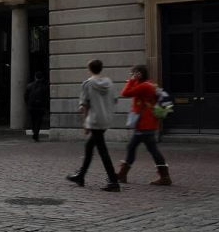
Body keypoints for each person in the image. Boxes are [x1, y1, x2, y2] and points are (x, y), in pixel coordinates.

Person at [66, 59, 121, 192]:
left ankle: (113, 181)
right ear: (101, 69)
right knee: (89, 146)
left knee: (102, 151)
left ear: (89, 69)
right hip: (106, 119)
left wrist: (85, 123)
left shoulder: (88, 84)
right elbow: (115, 100)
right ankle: (81, 175)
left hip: (94, 120)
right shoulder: (109, 83)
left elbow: (84, 105)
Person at [118, 65, 171, 186]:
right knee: (144, 149)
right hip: (146, 123)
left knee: (137, 148)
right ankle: (164, 176)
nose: (132, 76)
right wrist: (133, 81)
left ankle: (122, 175)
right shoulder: (147, 84)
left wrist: (131, 81)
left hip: (144, 123)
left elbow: (125, 93)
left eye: (133, 73)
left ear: (139, 74)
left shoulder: (144, 86)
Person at [25, 72, 49, 142]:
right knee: (38, 121)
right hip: (40, 107)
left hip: (31, 106)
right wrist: (46, 106)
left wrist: (28, 104)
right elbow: (46, 98)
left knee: (33, 120)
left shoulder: (29, 86)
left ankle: (34, 131)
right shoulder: (45, 87)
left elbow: (25, 96)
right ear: (42, 78)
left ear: (35, 77)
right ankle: (36, 134)